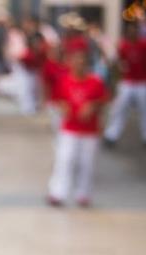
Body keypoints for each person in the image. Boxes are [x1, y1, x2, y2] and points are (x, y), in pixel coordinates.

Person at [47, 46, 109, 208]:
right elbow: (56, 99)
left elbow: (103, 102)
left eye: (83, 61)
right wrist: (63, 106)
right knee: (64, 160)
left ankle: (84, 194)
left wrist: (92, 106)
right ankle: (57, 193)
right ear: (71, 63)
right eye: (76, 61)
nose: (79, 64)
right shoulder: (64, 81)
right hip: (69, 128)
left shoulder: (96, 82)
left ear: (87, 64)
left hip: (89, 130)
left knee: (87, 163)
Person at [103, 23, 146, 147]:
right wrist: (118, 76)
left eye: (134, 31)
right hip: (127, 81)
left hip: (142, 82)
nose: (132, 33)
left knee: (145, 109)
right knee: (120, 108)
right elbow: (117, 62)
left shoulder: (144, 45)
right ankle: (112, 134)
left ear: (138, 32)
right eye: (130, 31)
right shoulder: (124, 45)